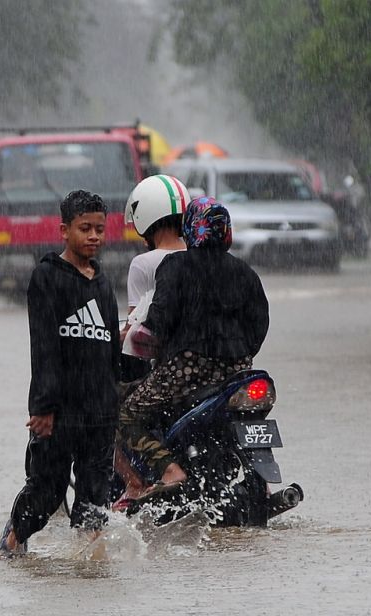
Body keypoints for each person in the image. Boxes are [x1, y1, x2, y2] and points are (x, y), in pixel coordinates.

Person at [118, 196, 269, 510]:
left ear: (190, 230)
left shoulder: (175, 266)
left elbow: (156, 324)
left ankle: (170, 472)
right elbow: (259, 327)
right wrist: (236, 356)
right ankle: (263, 487)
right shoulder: (245, 272)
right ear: (227, 232)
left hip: (186, 369)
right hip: (238, 372)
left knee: (127, 413)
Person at [0, 190, 120, 556]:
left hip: (100, 411)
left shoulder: (104, 282)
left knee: (95, 500)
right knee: (46, 492)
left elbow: (112, 346)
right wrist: (43, 408)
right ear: (64, 230)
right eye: (85, 228)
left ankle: (87, 568)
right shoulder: (47, 277)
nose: (94, 236)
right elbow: (44, 347)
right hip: (61, 410)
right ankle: (10, 546)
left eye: (100, 228)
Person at [114, 175, 190, 506]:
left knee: (112, 414)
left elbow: (135, 325)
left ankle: (134, 483)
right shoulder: (201, 257)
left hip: (167, 369)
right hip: (212, 364)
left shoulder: (143, 264)